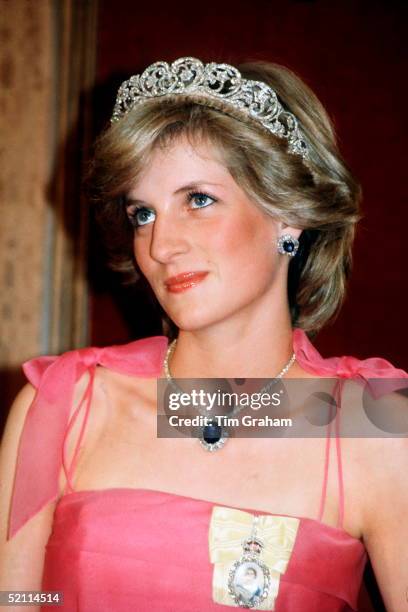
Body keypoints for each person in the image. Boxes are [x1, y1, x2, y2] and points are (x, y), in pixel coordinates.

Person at [0, 57, 407, 611]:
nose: (161, 245)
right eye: (143, 212)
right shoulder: (65, 406)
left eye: (198, 200)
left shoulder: (375, 429)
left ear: (288, 214)